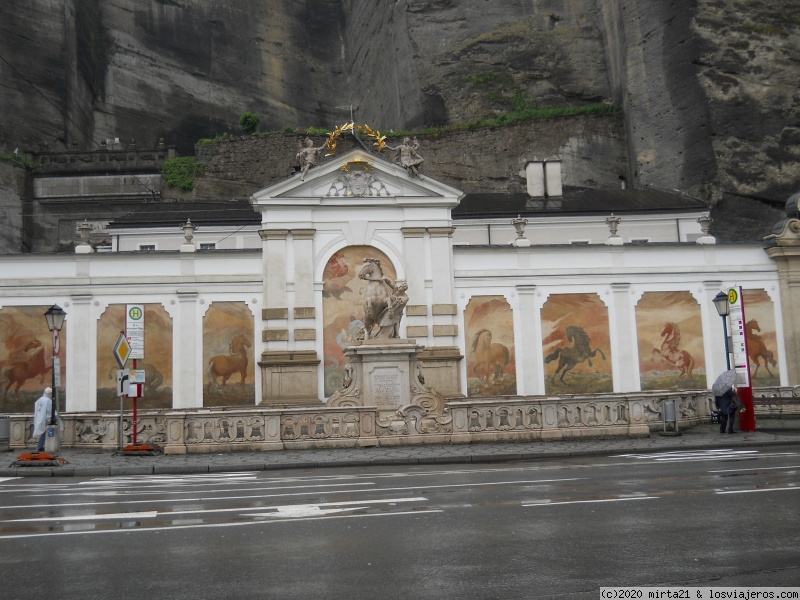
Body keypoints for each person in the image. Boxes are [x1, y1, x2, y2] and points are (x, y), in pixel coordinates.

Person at [32, 387, 52, 452]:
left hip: (38, 419)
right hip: (45, 419)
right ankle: (40, 447)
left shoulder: (39, 400)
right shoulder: (48, 401)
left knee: (42, 432)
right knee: (45, 433)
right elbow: (49, 411)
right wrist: (49, 419)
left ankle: (40, 446)